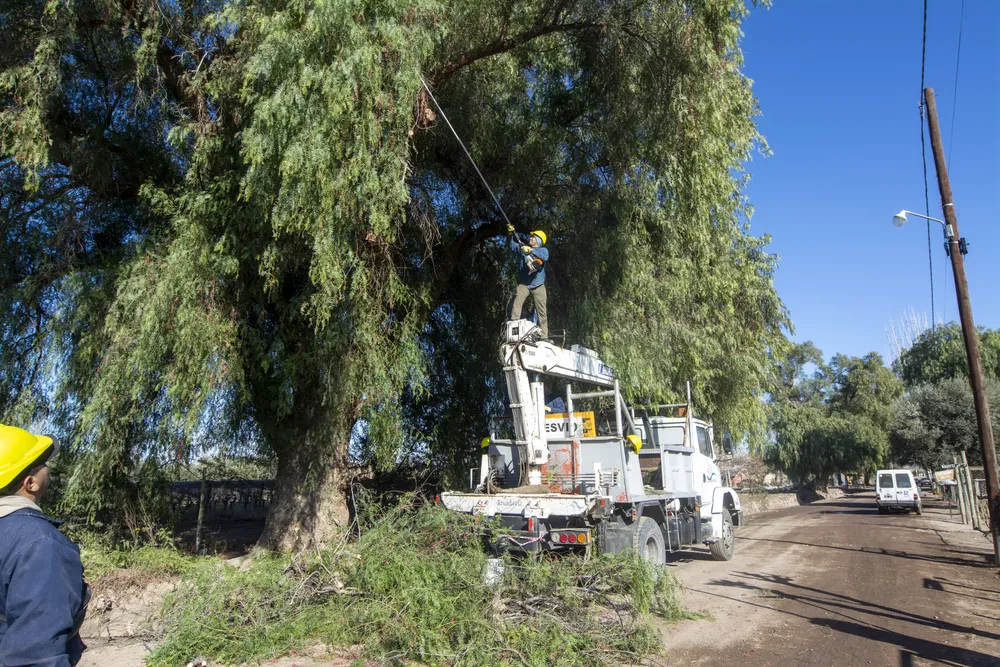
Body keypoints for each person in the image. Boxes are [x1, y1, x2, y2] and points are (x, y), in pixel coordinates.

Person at [0, 424, 88, 667]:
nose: (49, 468)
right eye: (43, 463)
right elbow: (36, 657)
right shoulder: (41, 545)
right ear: (31, 483)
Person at [507, 227, 549, 338]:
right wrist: (510, 235)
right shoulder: (522, 248)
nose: (530, 238)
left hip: (538, 284)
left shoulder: (542, 250)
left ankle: (544, 337)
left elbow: (545, 257)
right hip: (525, 283)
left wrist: (531, 251)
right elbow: (511, 246)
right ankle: (514, 323)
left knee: (542, 311)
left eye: (532, 237)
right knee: (518, 298)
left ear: (538, 240)